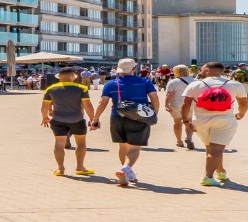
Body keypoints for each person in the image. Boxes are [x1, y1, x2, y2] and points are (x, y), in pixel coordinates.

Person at [90, 58, 159, 187]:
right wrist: (153, 114)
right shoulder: (145, 82)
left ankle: (126, 173)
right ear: (134, 69)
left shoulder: (111, 84)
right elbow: (154, 98)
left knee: (122, 146)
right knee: (135, 147)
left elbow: (102, 103)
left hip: (117, 117)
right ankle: (125, 169)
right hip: (139, 117)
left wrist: (95, 119)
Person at [182, 62, 248, 186]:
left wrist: (186, 121)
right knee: (216, 149)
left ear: (207, 70)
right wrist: (241, 114)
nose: (200, 71)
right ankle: (207, 177)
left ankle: (220, 172)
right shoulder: (234, 84)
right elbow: (243, 104)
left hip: (200, 120)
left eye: (202, 69)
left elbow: (185, 104)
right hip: (224, 120)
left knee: (211, 148)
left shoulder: (195, 84)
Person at [40, 67, 96, 177]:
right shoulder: (81, 88)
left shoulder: (50, 88)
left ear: (59, 77)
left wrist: (45, 117)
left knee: (59, 144)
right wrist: (92, 119)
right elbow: (87, 105)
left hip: (58, 120)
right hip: (77, 119)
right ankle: (80, 167)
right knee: (81, 143)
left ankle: (60, 169)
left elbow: (44, 106)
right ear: (73, 76)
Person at [163, 65, 197, 149]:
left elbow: (169, 94)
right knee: (189, 121)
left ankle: (179, 141)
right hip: (190, 103)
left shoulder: (173, 82)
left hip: (176, 104)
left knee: (177, 123)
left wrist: (166, 104)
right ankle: (189, 138)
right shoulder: (195, 81)